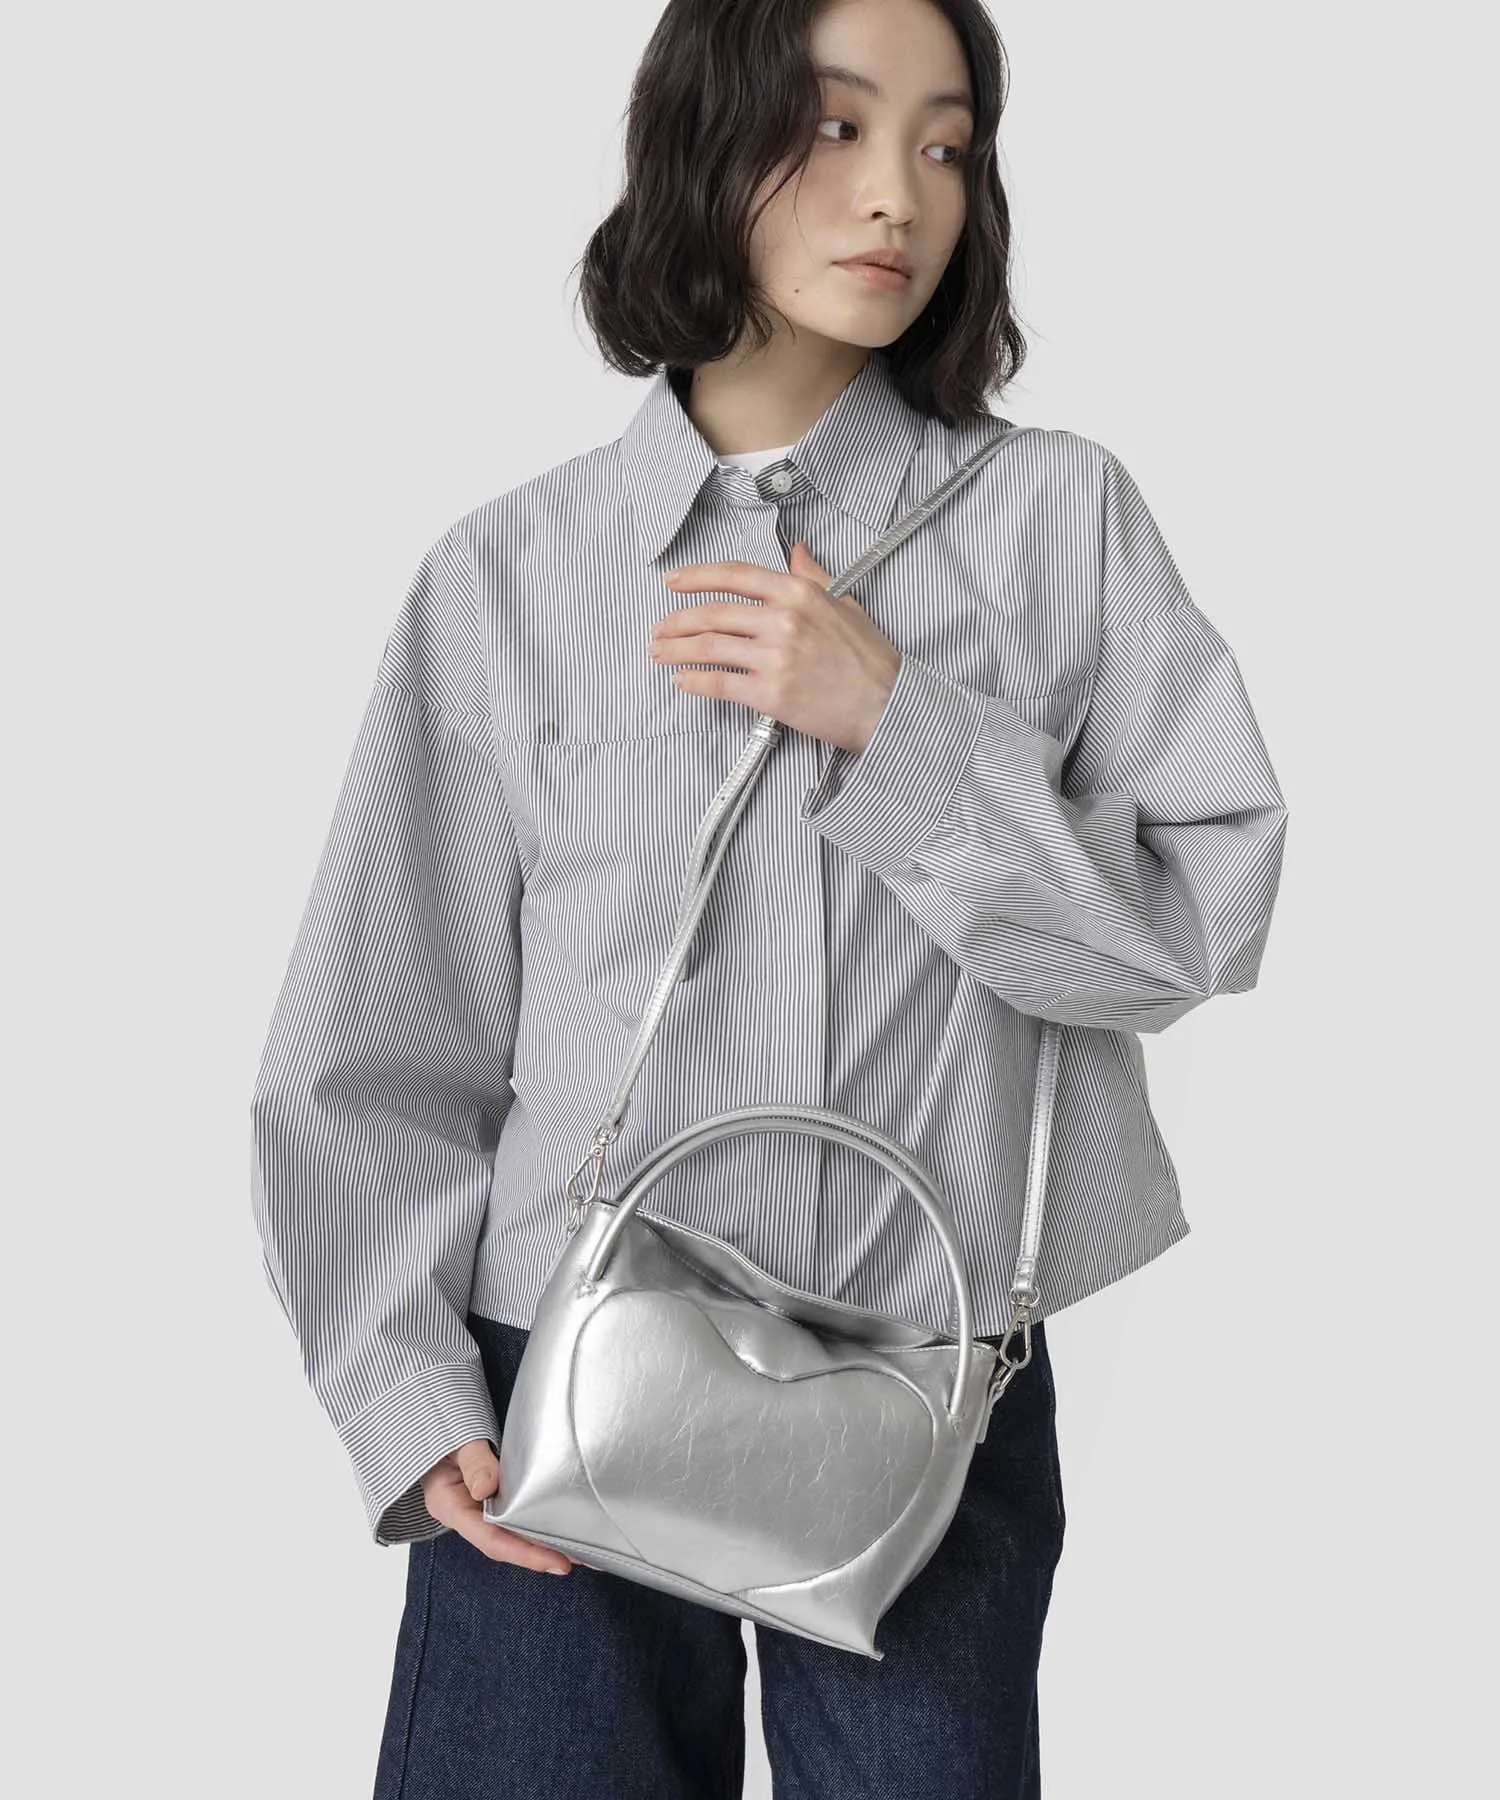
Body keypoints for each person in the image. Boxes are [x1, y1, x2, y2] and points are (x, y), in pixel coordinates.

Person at [250, 0, 1288, 1794]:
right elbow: (375, 1038)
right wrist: (403, 1397)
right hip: (549, 1383)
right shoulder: (506, 579)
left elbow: (1197, 922)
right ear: (702, 136)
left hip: (930, 1388)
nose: (900, 194)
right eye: (836, 126)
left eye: (946, 144)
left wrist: (901, 727)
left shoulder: (1066, 523)